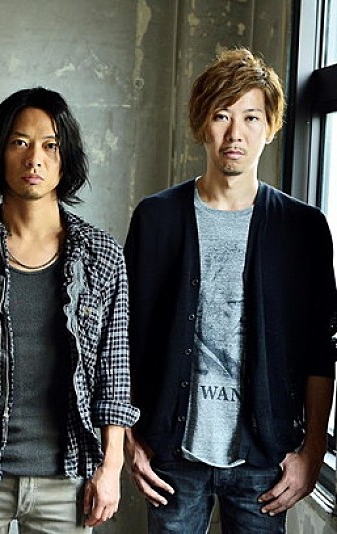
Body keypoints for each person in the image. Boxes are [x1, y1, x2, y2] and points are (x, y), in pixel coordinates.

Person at [124, 48, 337, 533]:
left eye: (251, 117)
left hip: (265, 458)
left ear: (271, 127)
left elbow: (320, 349)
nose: (235, 133)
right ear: (203, 123)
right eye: (222, 115)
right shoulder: (157, 218)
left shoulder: (303, 229)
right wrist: (127, 440)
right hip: (172, 453)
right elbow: (125, 338)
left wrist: (312, 452)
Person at [0, 87, 140, 534]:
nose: (34, 158)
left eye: (50, 145)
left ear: (65, 158)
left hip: (68, 479)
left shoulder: (103, 255)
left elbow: (114, 375)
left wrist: (111, 466)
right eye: (19, 142)